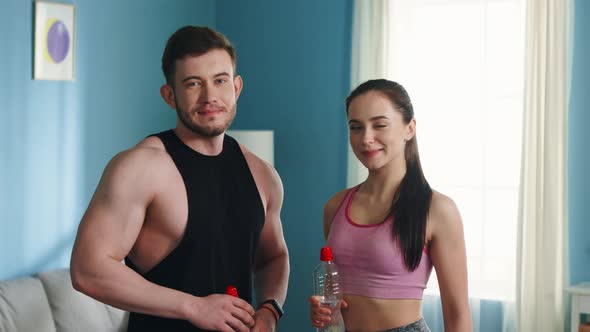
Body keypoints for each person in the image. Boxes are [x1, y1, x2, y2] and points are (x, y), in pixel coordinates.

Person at [70, 26, 289, 332]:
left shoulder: (263, 175)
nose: (210, 96)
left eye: (220, 81)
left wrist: (269, 310)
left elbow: (273, 256)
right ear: (169, 95)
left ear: (236, 88)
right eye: (193, 83)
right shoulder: (140, 167)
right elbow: (87, 270)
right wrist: (193, 306)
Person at [309, 79, 472, 332]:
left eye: (380, 125)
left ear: (410, 128)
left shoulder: (438, 210)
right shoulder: (335, 206)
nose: (366, 138)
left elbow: (458, 314)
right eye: (356, 127)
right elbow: (335, 300)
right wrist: (324, 311)